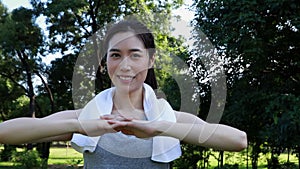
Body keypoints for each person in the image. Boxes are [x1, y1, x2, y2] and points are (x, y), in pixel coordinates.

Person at [0, 19, 247, 169]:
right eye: (116, 55)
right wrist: (80, 125)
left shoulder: (168, 118)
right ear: (105, 61)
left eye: (135, 54)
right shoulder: (86, 117)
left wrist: (159, 128)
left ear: (151, 60)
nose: (125, 65)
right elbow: (4, 133)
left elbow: (238, 141)